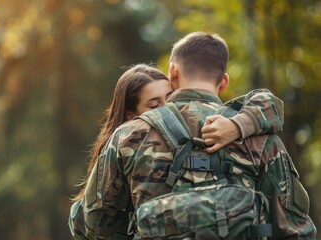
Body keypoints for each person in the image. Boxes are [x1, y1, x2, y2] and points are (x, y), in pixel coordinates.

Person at [69, 32, 316, 239]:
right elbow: (296, 231)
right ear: (224, 81)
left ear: (172, 73)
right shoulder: (260, 139)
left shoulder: (128, 136)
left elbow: (94, 228)